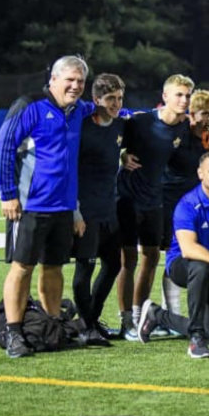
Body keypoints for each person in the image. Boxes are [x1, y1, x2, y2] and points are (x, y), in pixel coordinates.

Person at [0, 55, 98, 357]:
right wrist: (8, 194)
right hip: (30, 206)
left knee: (54, 268)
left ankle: (53, 328)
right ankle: (14, 333)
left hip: (63, 207)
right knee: (22, 267)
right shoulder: (29, 105)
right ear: (53, 79)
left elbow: (107, 109)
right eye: (70, 79)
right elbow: (4, 146)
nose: (76, 86)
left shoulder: (78, 110)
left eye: (80, 81)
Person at [137, 151, 209, 358]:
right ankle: (196, 339)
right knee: (200, 266)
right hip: (181, 264)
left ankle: (157, 315)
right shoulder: (187, 204)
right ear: (200, 173)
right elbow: (189, 249)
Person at [116, 74, 192, 339]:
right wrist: (122, 155)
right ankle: (126, 321)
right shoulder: (141, 121)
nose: (184, 100)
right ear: (165, 97)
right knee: (128, 260)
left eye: (187, 96)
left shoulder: (185, 127)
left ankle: (140, 317)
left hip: (154, 200)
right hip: (127, 199)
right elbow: (113, 137)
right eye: (179, 95)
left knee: (152, 257)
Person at [70, 73, 127, 343]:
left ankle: (91, 319)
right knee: (84, 271)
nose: (116, 104)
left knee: (114, 264)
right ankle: (87, 325)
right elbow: (68, 170)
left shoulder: (120, 126)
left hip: (109, 210)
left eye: (119, 98)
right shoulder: (81, 128)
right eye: (110, 99)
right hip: (86, 213)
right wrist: (75, 211)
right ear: (96, 100)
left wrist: (125, 154)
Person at [159, 89, 209, 315]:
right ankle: (170, 311)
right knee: (173, 253)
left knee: (197, 252)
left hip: (199, 205)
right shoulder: (179, 132)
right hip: (171, 201)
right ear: (191, 114)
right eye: (204, 113)